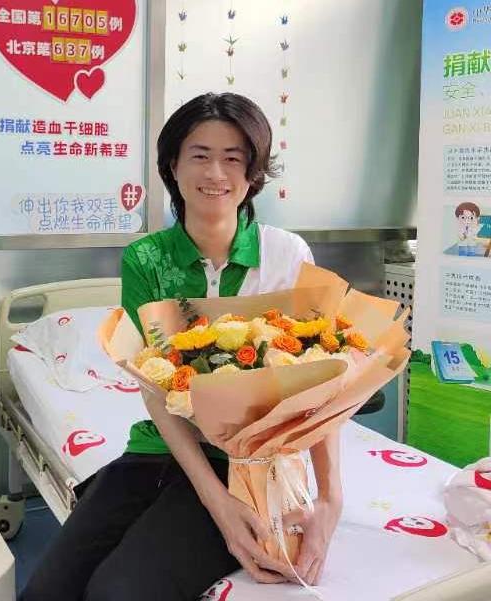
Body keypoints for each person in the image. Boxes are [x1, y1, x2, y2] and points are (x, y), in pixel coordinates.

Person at [19, 92, 343, 601]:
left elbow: (322, 379)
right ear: (173, 165)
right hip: (159, 449)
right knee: (46, 591)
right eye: (200, 154)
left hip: (253, 463)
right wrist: (218, 506)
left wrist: (330, 500)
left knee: (119, 594)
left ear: (254, 172)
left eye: (233, 157)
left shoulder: (285, 255)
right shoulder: (146, 259)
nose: (215, 172)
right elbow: (156, 389)